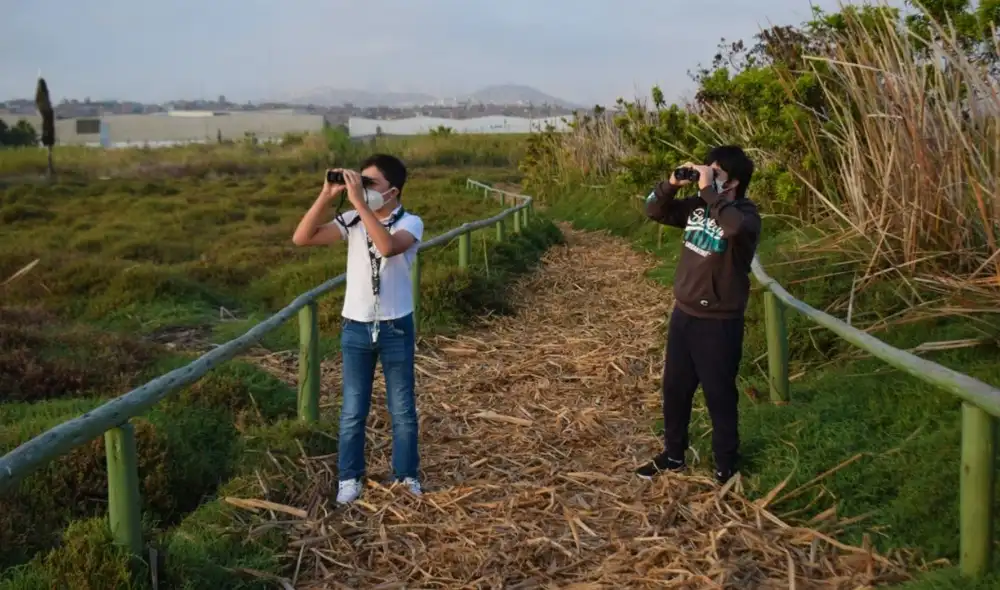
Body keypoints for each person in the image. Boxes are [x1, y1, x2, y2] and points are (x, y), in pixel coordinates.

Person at [292, 154, 424, 504]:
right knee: (352, 410)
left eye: (370, 185)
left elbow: (387, 246)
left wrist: (356, 203)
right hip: (355, 326)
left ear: (393, 191)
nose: (361, 190)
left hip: (396, 326)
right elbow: (302, 238)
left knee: (402, 408)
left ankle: (407, 476)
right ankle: (349, 478)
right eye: (359, 182)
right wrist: (326, 194)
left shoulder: (411, 222)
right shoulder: (352, 219)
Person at [635, 145, 760, 485]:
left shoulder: (745, 214)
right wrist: (673, 183)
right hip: (684, 316)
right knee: (675, 389)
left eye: (715, 173)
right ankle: (674, 455)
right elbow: (652, 209)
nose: (706, 177)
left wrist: (708, 192)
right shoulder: (696, 208)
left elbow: (732, 228)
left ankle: (726, 466)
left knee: (718, 395)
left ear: (732, 183)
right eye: (707, 169)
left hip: (719, 323)